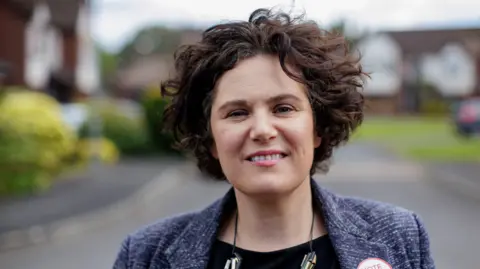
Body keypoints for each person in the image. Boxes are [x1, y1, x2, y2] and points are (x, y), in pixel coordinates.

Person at [113, 8, 435, 269]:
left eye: (283, 108)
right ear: (210, 138)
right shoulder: (144, 256)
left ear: (318, 128)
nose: (263, 130)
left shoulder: (400, 238)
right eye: (237, 112)